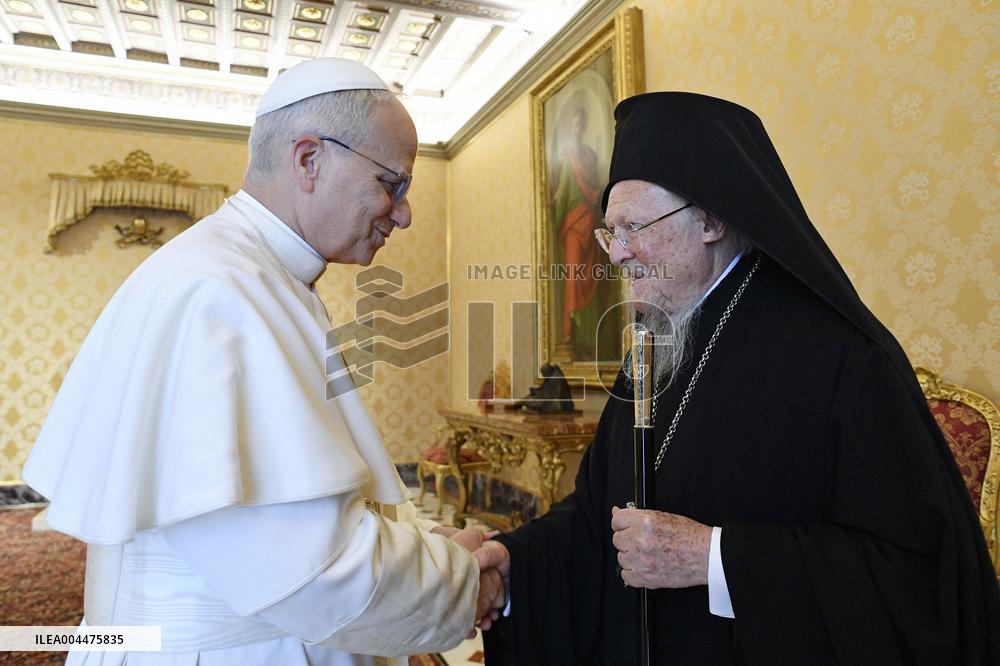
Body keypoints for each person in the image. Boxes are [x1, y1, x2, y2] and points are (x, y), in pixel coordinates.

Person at [478, 92, 1000, 664]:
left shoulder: (841, 357)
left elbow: (916, 576)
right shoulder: (653, 347)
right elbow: (599, 511)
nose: (618, 256)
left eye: (633, 227)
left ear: (711, 219)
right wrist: (515, 562)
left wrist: (714, 557)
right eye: (610, 234)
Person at [23, 58, 505, 665]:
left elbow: (309, 512)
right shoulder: (220, 292)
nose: (403, 213)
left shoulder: (256, 276)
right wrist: (465, 584)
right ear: (309, 160)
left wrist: (425, 544)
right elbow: (312, 573)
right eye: (393, 184)